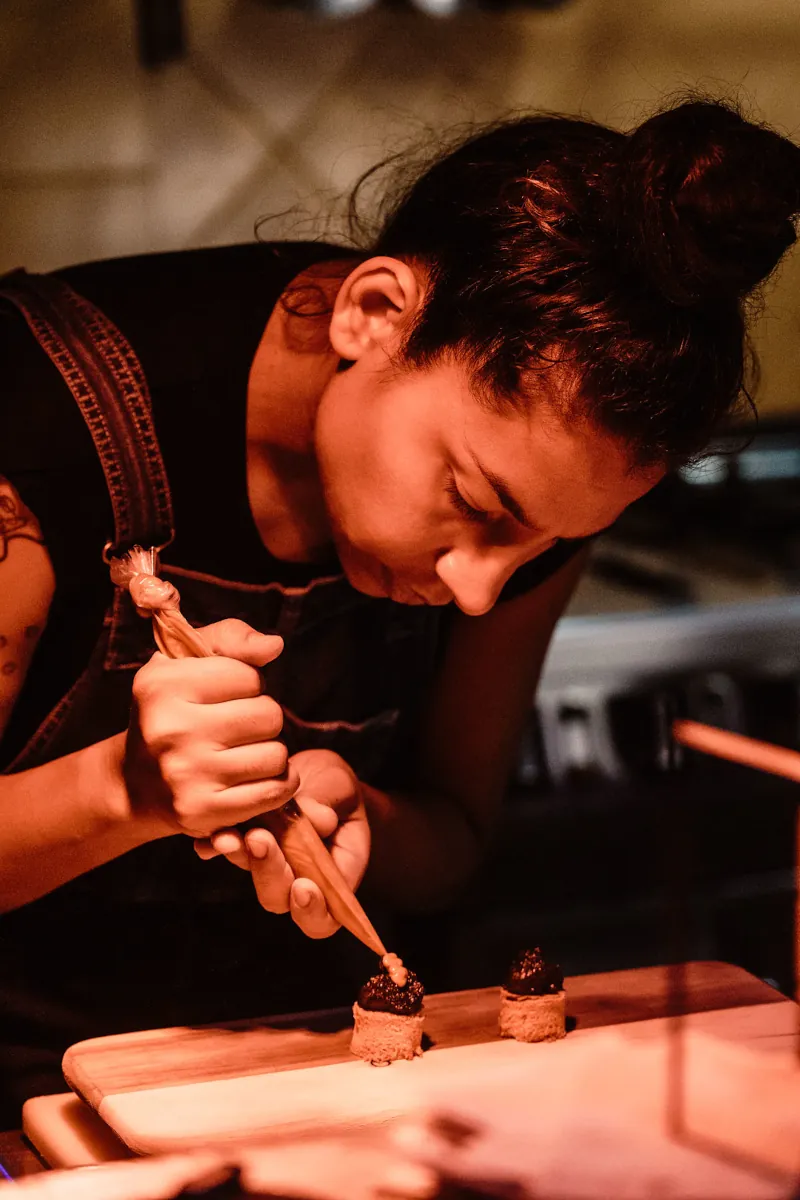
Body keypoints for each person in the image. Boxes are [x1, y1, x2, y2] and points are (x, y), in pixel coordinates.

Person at [1, 96, 798, 1123]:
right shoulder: (36, 431)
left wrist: (365, 824)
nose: (477, 589)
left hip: (339, 1088)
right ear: (373, 316)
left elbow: (454, 833)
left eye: (547, 544)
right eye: (473, 502)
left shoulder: (534, 502)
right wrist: (120, 791)